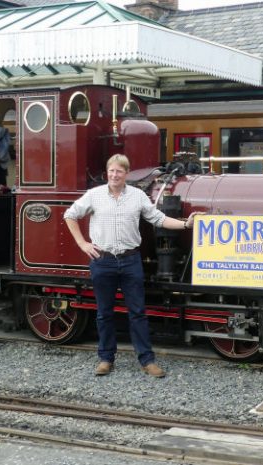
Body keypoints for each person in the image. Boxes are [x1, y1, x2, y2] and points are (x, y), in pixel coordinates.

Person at [64, 154, 195, 378]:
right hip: (102, 260)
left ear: (126, 173)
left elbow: (158, 218)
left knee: (138, 313)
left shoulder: (137, 196)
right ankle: (106, 359)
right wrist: (82, 243)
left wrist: (185, 224)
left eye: (119, 171)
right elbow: (70, 215)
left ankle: (147, 360)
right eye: (112, 171)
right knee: (104, 313)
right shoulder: (94, 195)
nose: (115, 175)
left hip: (130, 260)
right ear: (108, 172)